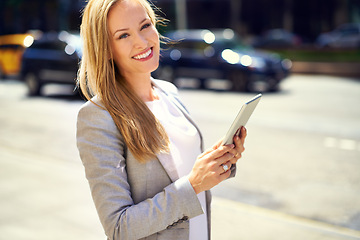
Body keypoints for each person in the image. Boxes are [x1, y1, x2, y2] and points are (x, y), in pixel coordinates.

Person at [76, 0, 247, 239]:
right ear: (105, 49)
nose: (142, 42)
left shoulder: (169, 92)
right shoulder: (97, 117)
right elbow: (119, 228)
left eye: (145, 26)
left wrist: (220, 160)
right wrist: (194, 184)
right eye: (123, 35)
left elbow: (184, 170)